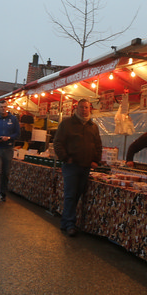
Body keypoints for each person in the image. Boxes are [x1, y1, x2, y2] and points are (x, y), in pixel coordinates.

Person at [53, 99, 102, 236]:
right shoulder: (67, 124)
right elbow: (57, 142)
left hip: (86, 166)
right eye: (81, 107)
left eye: (86, 107)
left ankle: (65, 222)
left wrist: (96, 160)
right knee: (70, 195)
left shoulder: (93, 126)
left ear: (89, 109)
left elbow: (98, 145)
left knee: (77, 195)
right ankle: (70, 224)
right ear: (77, 108)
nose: (84, 110)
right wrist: (65, 158)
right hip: (71, 166)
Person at [0, 101, 21, 205]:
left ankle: (3, 192)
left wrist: (9, 137)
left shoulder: (13, 119)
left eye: (5, 107)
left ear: (7, 107)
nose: (3, 108)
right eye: (1, 107)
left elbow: (18, 134)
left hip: (8, 148)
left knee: (6, 173)